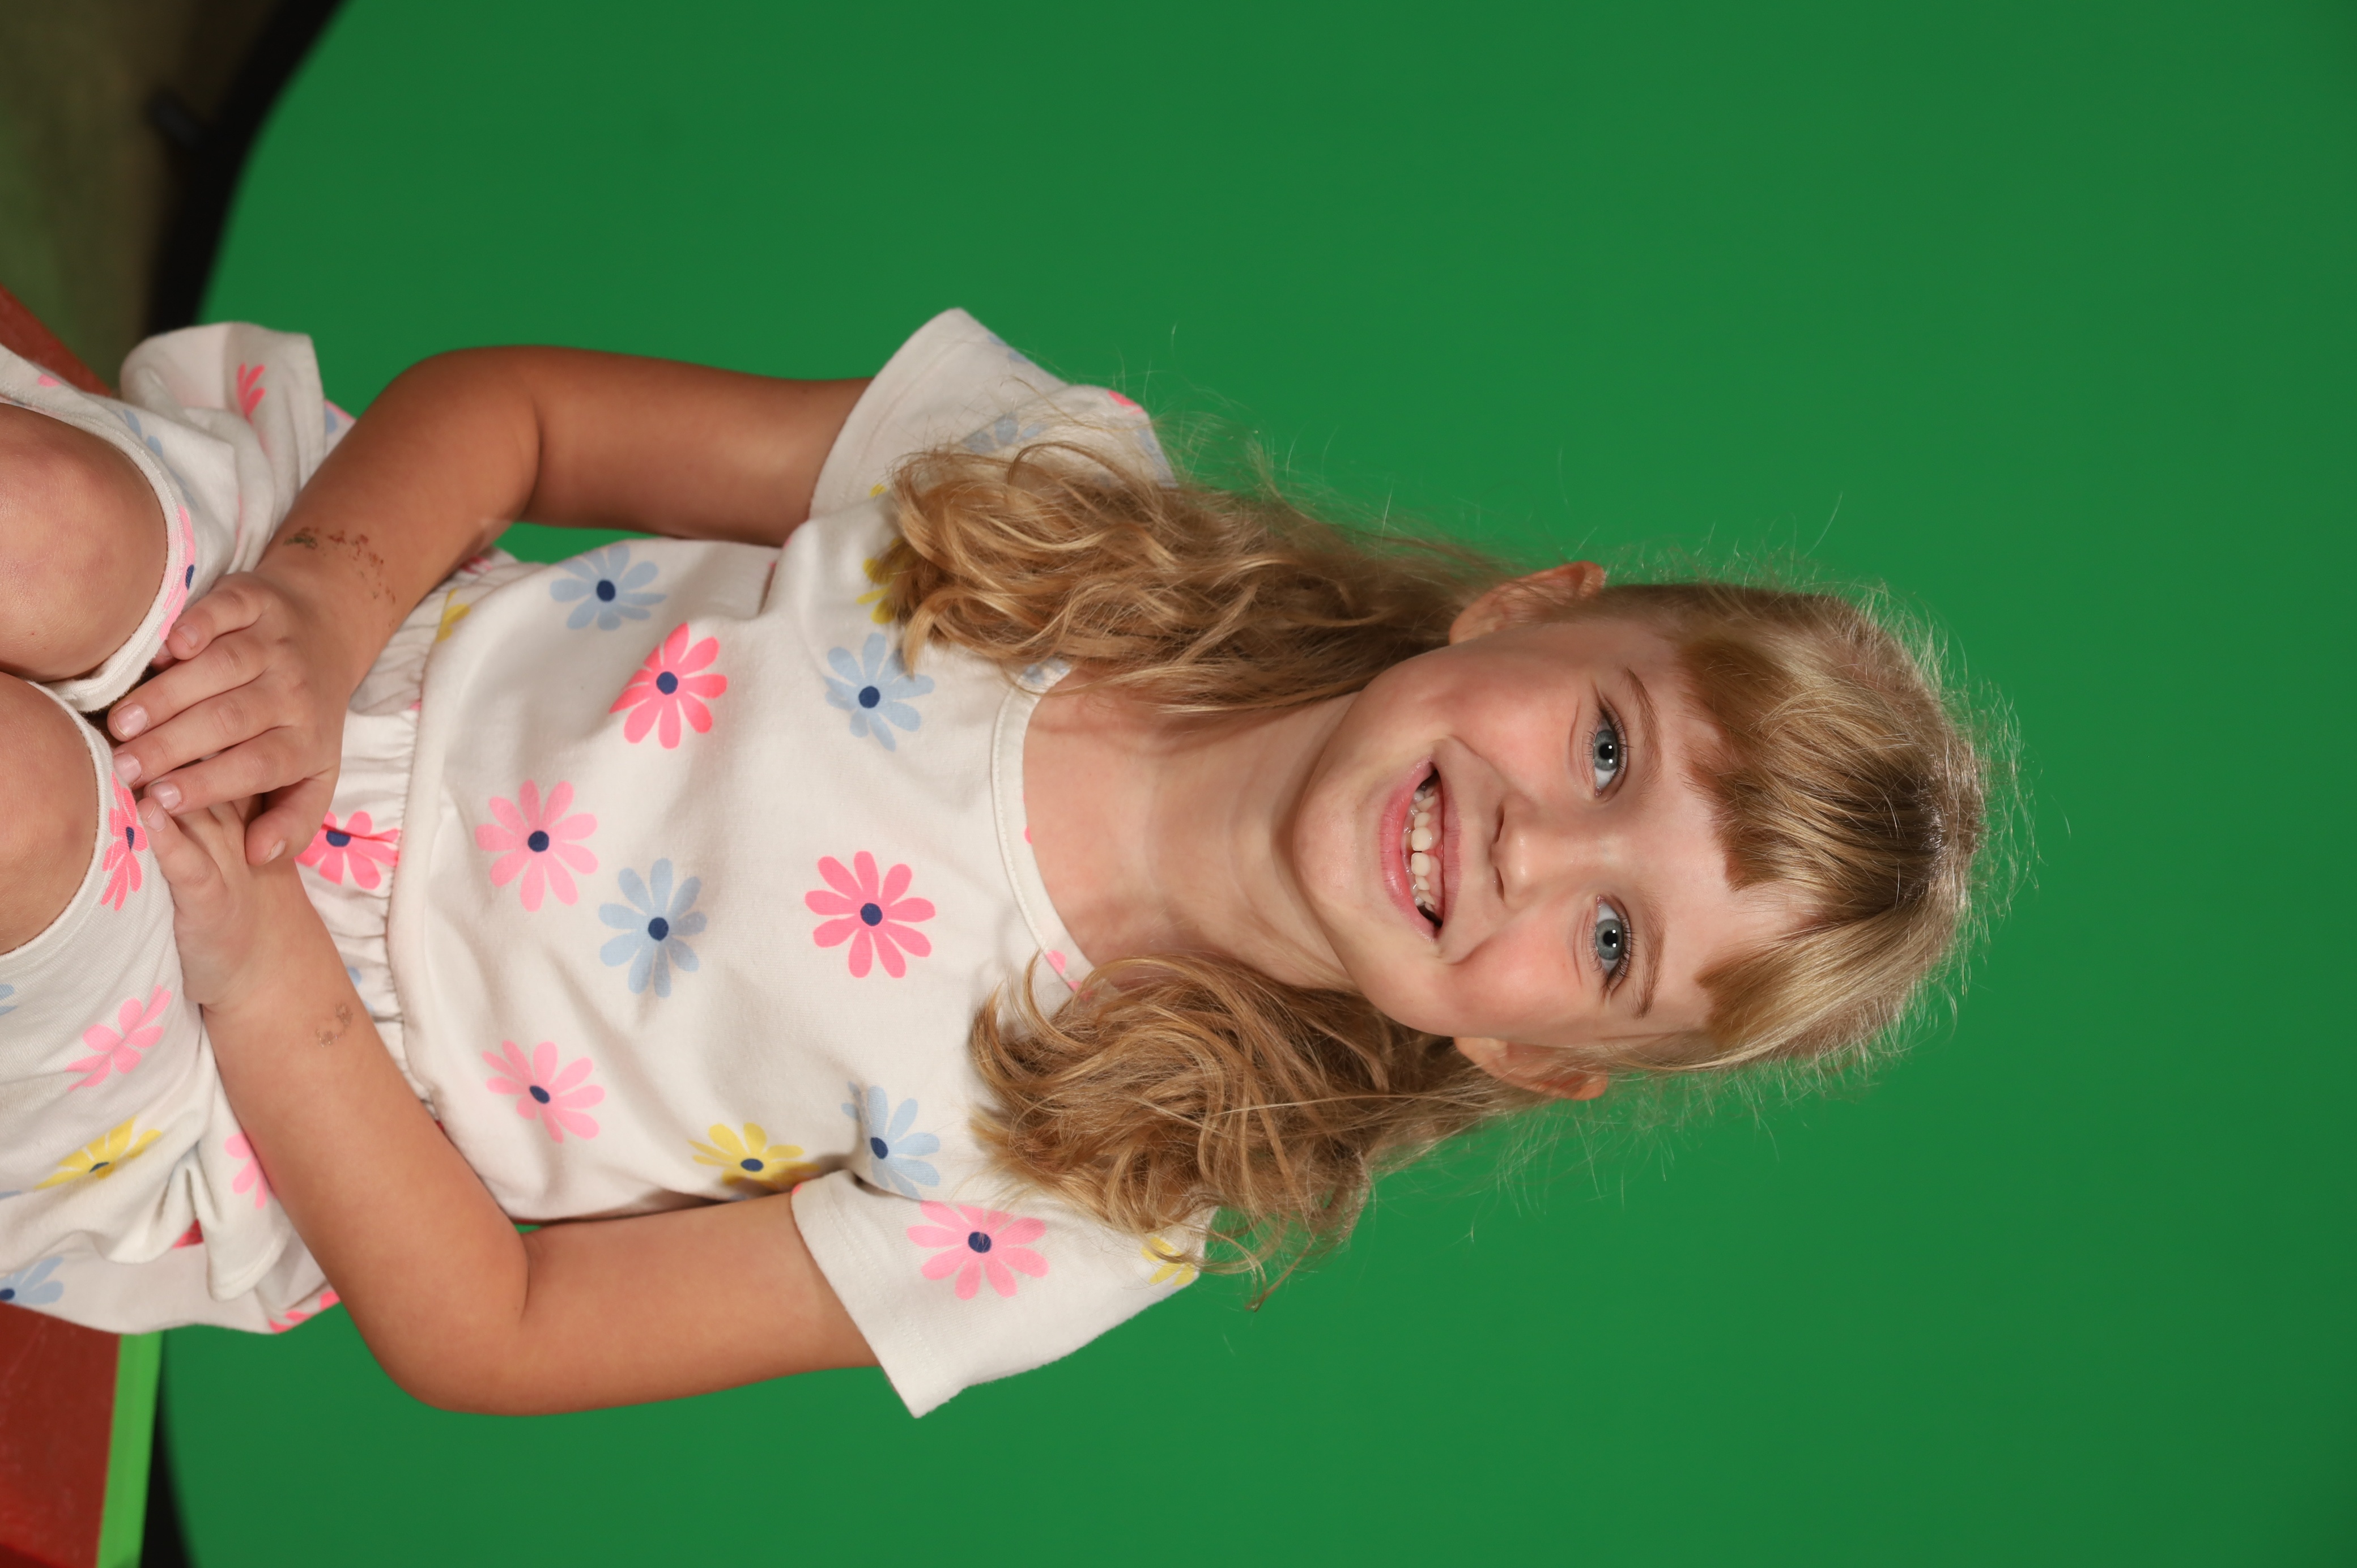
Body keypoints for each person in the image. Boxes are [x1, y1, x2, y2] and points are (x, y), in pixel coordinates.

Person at [0, 310, 1989, 1416]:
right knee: (46, 527)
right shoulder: (1059, 487)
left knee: (25, 807)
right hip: (343, 625)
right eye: (1609, 746)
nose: (1535, 843)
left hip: (252, 1059)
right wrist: (324, 614)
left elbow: (497, 1329)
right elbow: (514, 417)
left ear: (1543, 1058)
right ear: (1534, 611)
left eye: (1614, 939)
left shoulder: (1081, 1205)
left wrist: (266, 978)